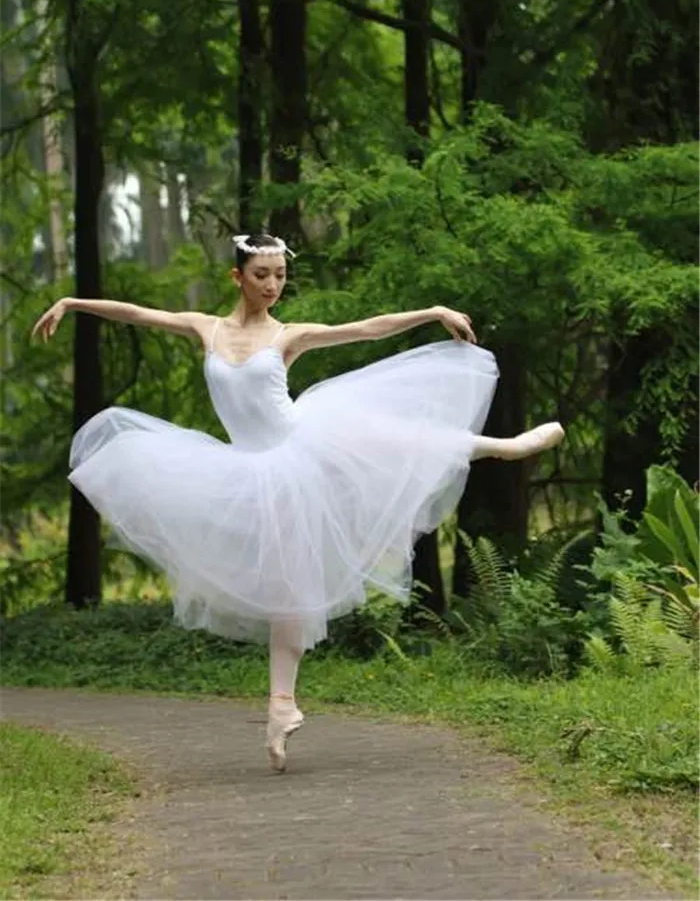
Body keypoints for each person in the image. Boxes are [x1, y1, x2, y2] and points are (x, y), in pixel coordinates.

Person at [32, 232, 564, 772]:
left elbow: (365, 328)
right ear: (237, 277)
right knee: (288, 589)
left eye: (280, 276)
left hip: (301, 446)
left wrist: (432, 312)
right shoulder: (206, 328)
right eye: (261, 275)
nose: (272, 285)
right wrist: (72, 302)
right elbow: (140, 314)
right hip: (249, 469)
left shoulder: (288, 336)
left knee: (394, 439)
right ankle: (281, 706)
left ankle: (505, 447)